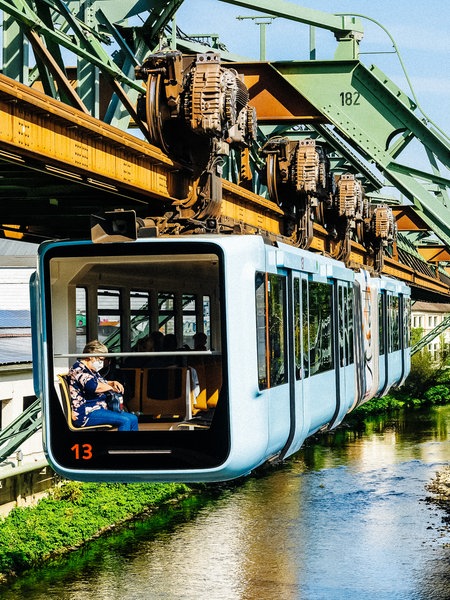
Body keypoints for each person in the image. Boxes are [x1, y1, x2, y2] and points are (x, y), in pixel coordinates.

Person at [69, 340, 139, 431]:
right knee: (124, 420)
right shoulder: (78, 369)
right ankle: (122, 445)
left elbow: (102, 382)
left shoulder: (91, 370)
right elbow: (94, 387)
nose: (101, 363)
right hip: (87, 412)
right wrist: (111, 387)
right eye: (100, 359)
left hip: (99, 408)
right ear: (90, 356)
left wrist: (112, 382)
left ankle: (132, 445)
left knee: (133, 418)